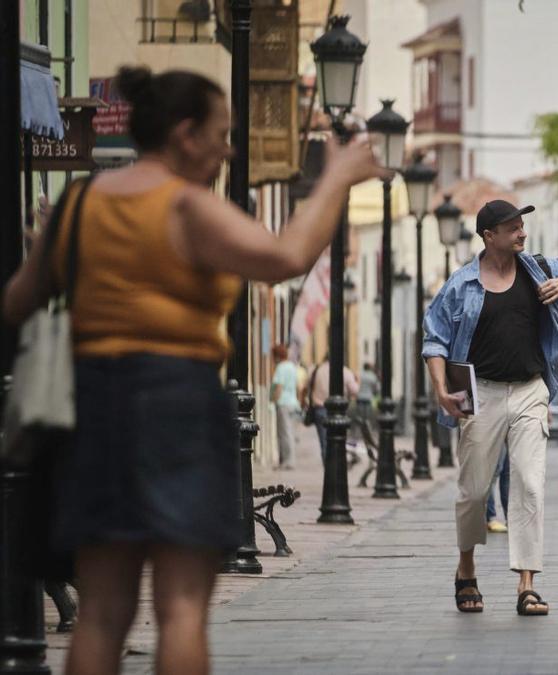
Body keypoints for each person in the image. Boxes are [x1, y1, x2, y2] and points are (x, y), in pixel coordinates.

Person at [1, 66, 387, 675]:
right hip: (176, 402)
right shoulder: (186, 206)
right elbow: (285, 257)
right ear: (184, 134)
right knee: (181, 606)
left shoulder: (77, 205)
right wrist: (336, 177)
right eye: (221, 134)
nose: (228, 149)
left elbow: (18, 303)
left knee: (101, 610)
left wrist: (46, 245)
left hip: (93, 406)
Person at [423, 199, 558, 616]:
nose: (522, 233)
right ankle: (466, 569)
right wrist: (440, 390)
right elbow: (434, 340)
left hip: (530, 391)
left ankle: (527, 583)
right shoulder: (461, 285)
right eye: (512, 228)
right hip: (481, 394)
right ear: (490, 237)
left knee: (529, 482)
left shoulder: (539, 270)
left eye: (522, 225)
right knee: (473, 491)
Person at [309, 356, 359, 466]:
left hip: (320, 408)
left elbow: (309, 387)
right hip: (339, 412)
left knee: (324, 442)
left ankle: (328, 470)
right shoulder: (345, 371)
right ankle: (337, 466)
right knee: (339, 441)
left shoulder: (317, 370)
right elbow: (355, 390)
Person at [270, 344, 301, 470]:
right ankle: (288, 460)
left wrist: (273, 400)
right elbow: (298, 386)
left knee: (284, 433)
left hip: (283, 403)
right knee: (289, 432)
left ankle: (287, 461)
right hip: (293, 403)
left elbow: (279, 387)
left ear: (277, 356)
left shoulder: (281, 368)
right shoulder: (292, 367)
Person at [485, 448, 510, 533]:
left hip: (512, 436)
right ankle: (490, 517)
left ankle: (510, 518)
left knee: (508, 474)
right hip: (495, 435)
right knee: (494, 471)